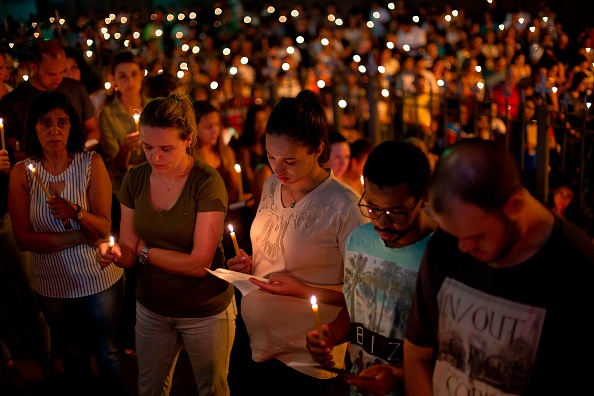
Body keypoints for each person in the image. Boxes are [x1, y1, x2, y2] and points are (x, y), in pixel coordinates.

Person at [403, 139, 594, 396]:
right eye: (454, 234)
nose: (463, 248)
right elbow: (417, 352)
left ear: (514, 205)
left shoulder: (575, 268)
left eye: (476, 236)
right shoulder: (448, 241)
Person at [227, 89, 368, 395]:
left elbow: (361, 292)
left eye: (289, 160)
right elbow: (273, 253)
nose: (278, 169)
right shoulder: (271, 185)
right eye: (270, 156)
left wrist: (302, 289)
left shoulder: (344, 206)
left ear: (318, 149)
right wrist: (249, 263)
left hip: (307, 360)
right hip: (256, 345)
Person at [96, 93, 236, 396]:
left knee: (211, 389)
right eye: (147, 147)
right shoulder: (135, 179)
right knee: (149, 388)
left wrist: (146, 251)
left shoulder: (206, 182)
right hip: (152, 307)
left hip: (204, 310)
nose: (155, 157)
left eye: (166, 148)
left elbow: (199, 264)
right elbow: (129, 253)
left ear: (188, 140)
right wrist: (115, 253)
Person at [8, 92, 125, 395]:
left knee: (108, 353)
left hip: (99, 280)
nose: (54, 130)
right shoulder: (23, 174)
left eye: (61, 122)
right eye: (45, 123)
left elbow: (104, 227)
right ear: (33, 128)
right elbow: (23, 240)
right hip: (52, 285)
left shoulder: (90, 163)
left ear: (72, 126)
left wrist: (77, 213)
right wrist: (78, 235)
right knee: (72, 355)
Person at [306, 141, 438, 396]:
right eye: (373, 207)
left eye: (397, 212)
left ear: (423, 199)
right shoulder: (359, 240)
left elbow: (446, 350)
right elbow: (355, 305)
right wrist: (331, 333)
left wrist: (398, 376)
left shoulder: (440, 257)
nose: (382, 222)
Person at [98, 50, 152, 359]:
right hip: (126, 196)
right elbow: (114, 167)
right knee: (132, 265)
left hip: (156, 193)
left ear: (141, 75)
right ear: (113, 80)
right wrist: (126, 149)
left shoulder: (154, 108)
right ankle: (130, 334)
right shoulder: (108, 115)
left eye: (133, 74)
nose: (129, 81)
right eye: (121, 76)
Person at [0, 39, 101, 160]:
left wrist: (79, 152)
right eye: (51, 74)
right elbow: (9, 152)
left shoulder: (75, 88)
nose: (58, 79)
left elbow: (93, 129)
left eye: (61, 72)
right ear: (34, 67)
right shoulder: (13, 101)